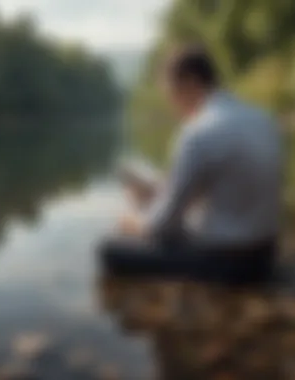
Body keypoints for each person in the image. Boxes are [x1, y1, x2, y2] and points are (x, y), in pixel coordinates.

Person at [101, 45, 283, 286]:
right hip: (267, 252)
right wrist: (161, 192)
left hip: (230, 263)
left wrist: (134, 221)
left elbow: (162, 226)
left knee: (109, 250)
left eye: (171, 92)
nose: (171, 102)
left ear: (189, 83)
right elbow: (230, 187)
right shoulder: (262, 119)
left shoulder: (197, 131)